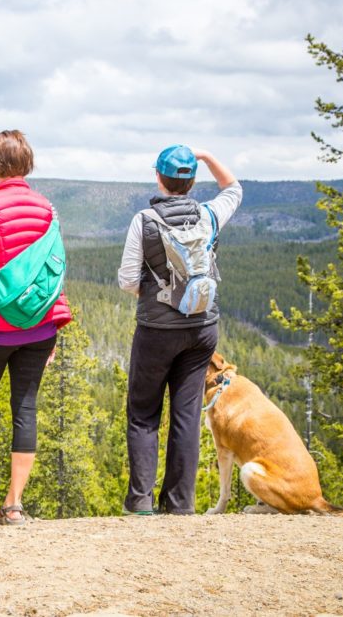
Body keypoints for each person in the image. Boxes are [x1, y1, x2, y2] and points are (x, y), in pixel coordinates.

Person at [117, 144, 242, 515]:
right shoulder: (209, 215)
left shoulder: (145, 220)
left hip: (157, 328)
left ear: (158, 177)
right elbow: (234, 188)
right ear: (192, 181)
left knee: (143, 413)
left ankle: (140, 502)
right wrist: (206, 157)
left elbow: (127, 280)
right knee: (186, 413)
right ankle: (179, 504)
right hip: (202, 326)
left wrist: (156, 294)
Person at [0, 130, 72, 526]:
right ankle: (14, 505)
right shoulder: (48, 209)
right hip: (39, 329)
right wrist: (54, 323)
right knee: (25, 409)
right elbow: (54, 272)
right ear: (28, 164)